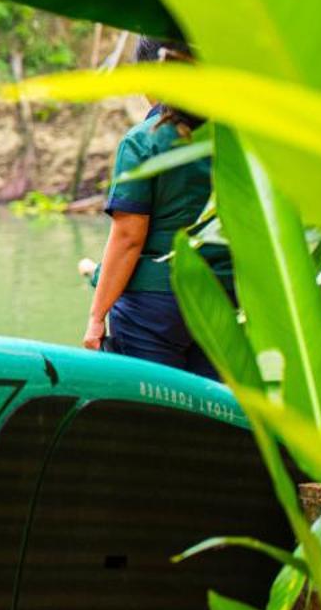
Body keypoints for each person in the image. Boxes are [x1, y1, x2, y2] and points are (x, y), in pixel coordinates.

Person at [84, 38, 232, 378]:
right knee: (209, 415)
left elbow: (129, 237)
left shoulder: (143, 140)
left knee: (154, 414)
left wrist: (96, 317)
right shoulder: (229, 138)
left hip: (153, 307)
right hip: (223, 297)